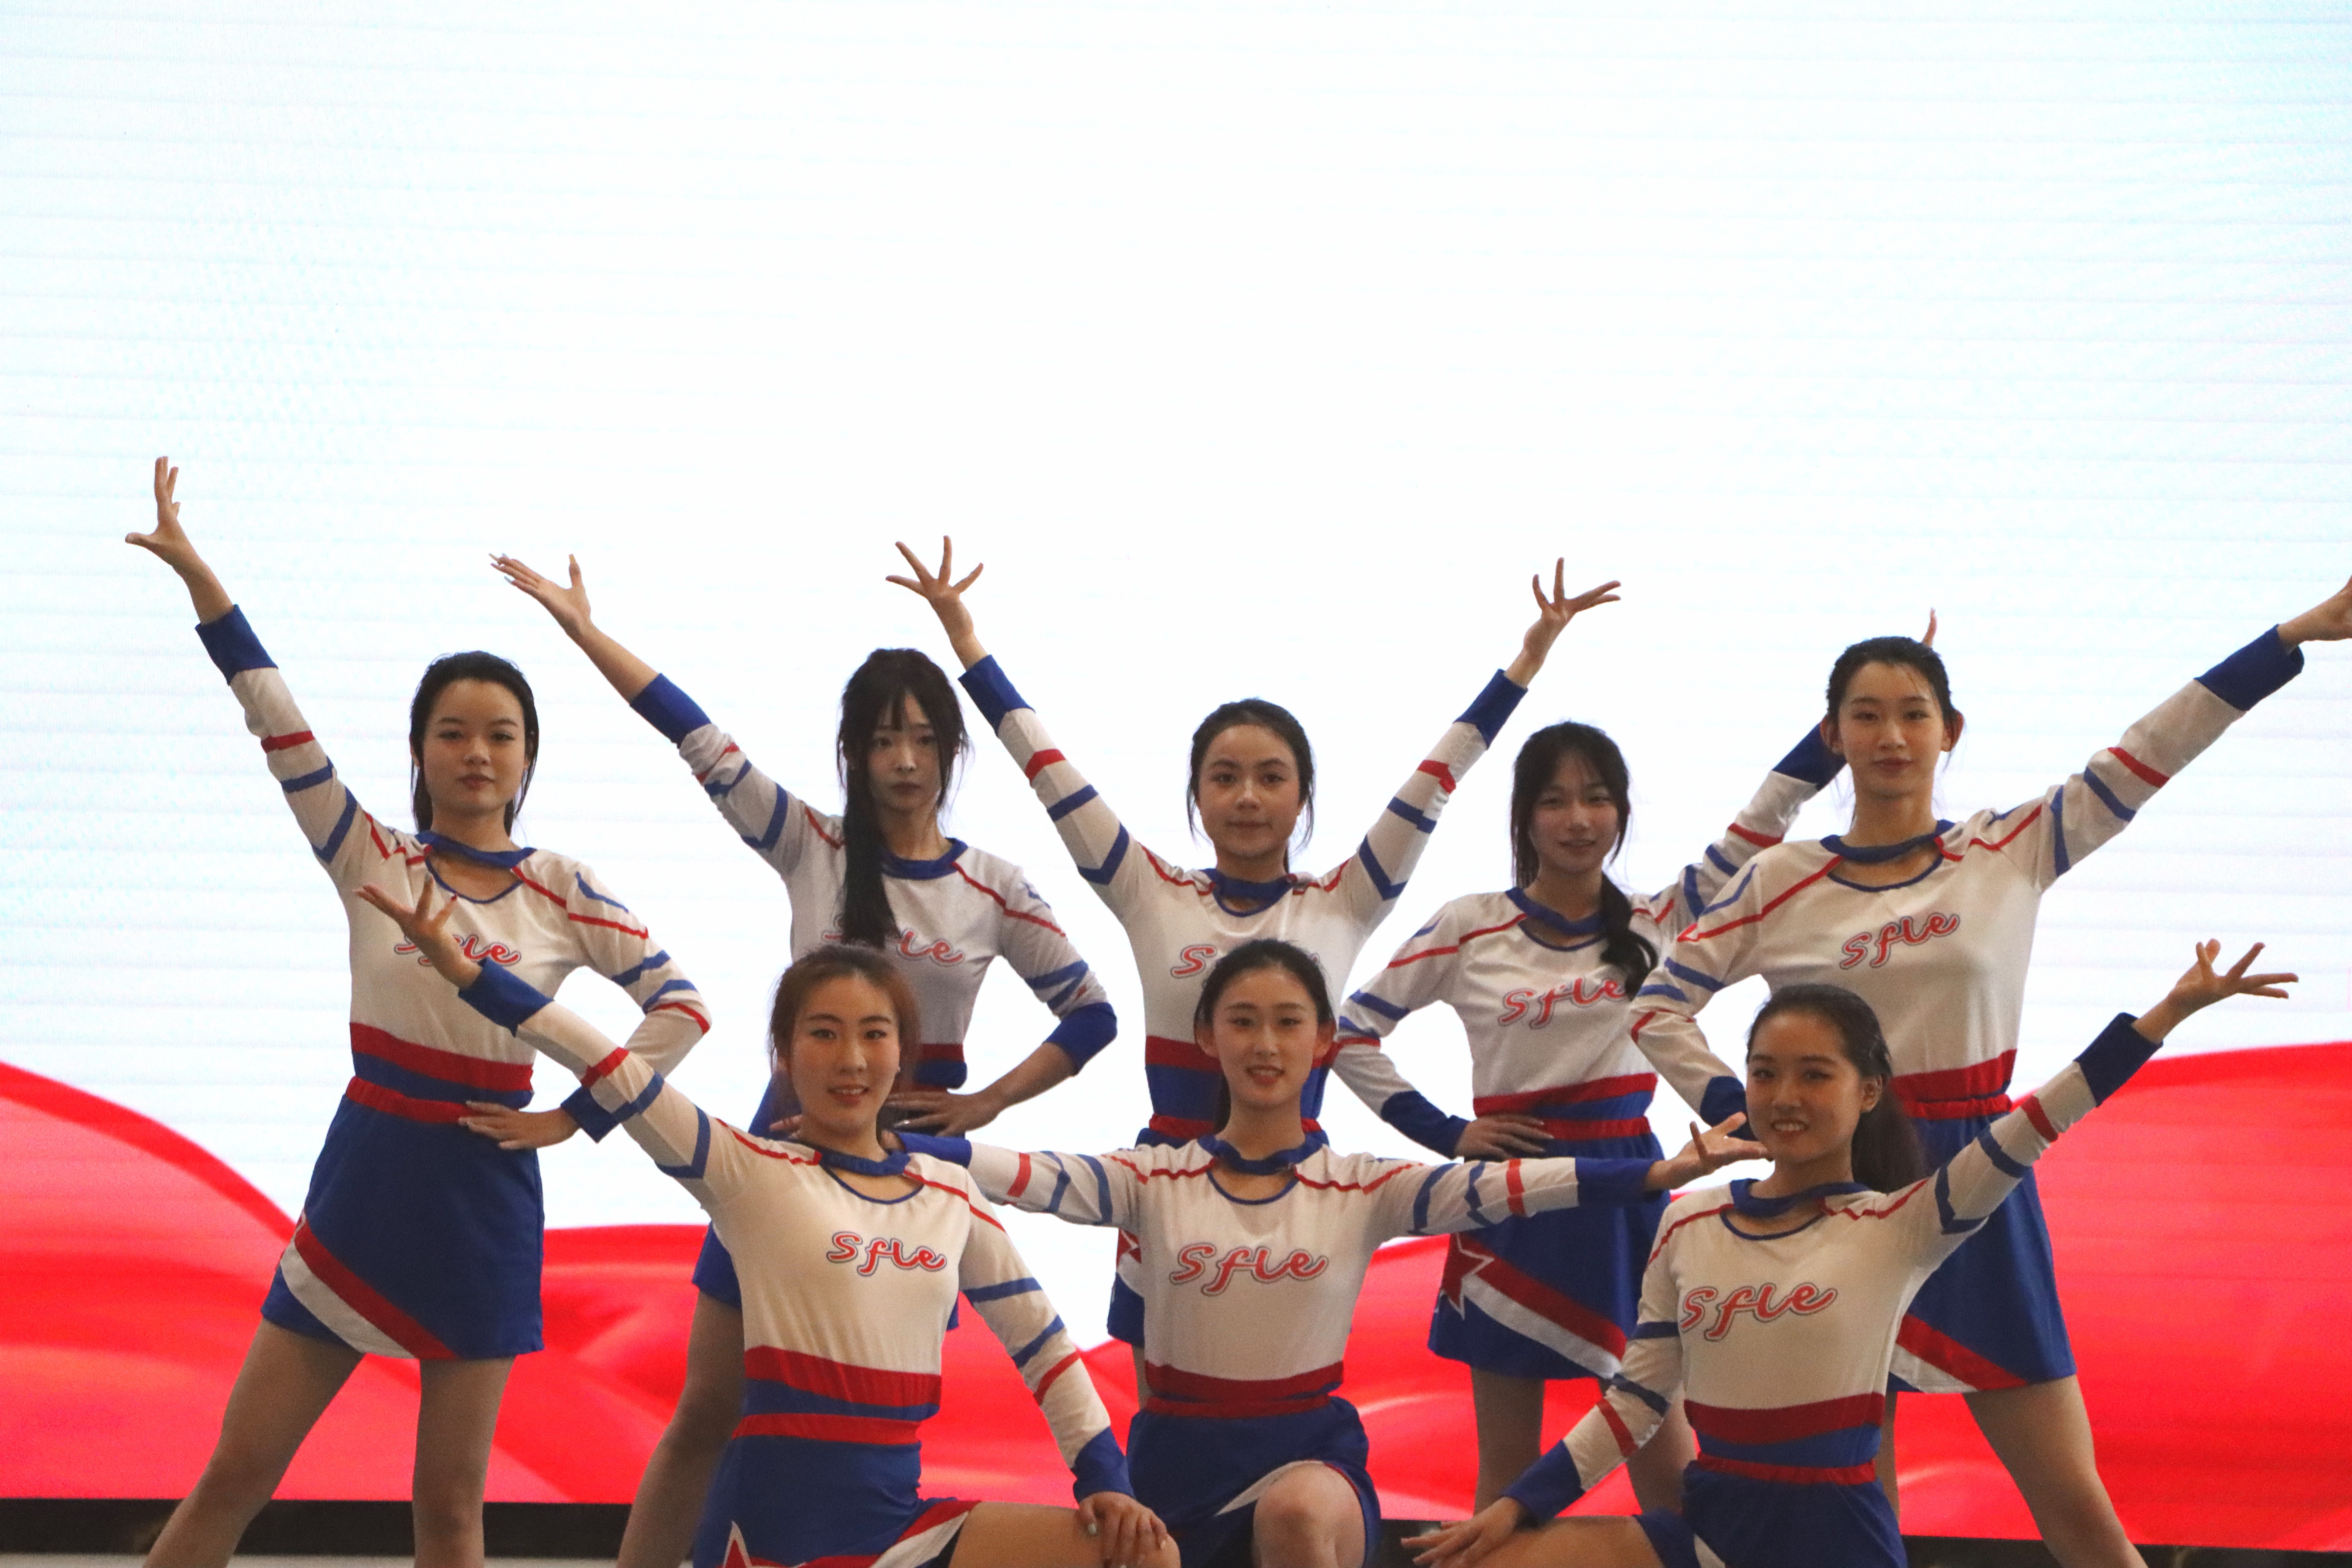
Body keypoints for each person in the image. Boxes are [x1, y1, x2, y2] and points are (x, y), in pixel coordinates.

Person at [1619, 583, 2351, 1564]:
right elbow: (1657, 1004)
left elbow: (2151, 751)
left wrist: (2291, 637)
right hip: (1840, 1195)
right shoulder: (1780, 879)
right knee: (1856, 1513)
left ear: (1949, 731)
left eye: (1913, 714)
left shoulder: (2010, 847)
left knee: (2077, 1509)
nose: (1891, 737)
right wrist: (1748, 1112)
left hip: (1981, 1180)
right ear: (1833, 736)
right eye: (1866, 715)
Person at [126, 460, 710, 1568]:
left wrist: (578, 1117)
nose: (476, 753)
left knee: (449, 1512)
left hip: (483, 1204)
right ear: (419, 751)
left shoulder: (567, 887)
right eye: (452, 732)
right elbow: (274, 716)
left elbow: (681, 1010)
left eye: (500, 734)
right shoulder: (369, 855)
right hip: (367, 1179)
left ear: (528, 758)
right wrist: (201, 579)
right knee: (236, 1475)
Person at [489, 551, 1118, 1568]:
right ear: (853, 754)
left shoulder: (996, 887)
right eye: (883, 740)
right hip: (778, 1169)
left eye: (924, 738)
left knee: (865, 1417)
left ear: (954, 750)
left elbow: (1091, 1014)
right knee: (711, 1410)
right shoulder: (811, 844)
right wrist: (585, 630)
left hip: (906, 1178)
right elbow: (695, 736)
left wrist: (986, 1105)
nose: (905, 760)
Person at [891, 539, 1616, 1369]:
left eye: (1271, 778)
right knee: (1166, 1407)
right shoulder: (1148, 890)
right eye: (1225, 777)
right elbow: (1045, 768)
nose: (1247, 797)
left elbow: (1439, 775)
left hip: (1303, 1199)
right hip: (1163, 1192)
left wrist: (1526, 661)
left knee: (1291, 1387)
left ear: (1303, 798)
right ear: (1196, 796)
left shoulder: (1345, 900)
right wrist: (967, 641)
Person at [1402, 939, 2295, 1568]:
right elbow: (1634, 1404)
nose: (1784, 1096)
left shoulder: (1903, 1223)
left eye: (1814, 1074)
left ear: (1869, 1092)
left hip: (1836, 1544)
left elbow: (2034, 1124)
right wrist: (1516, 1507)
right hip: (1705, 1535)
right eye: (1765, 1072)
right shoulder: (1690, 1224)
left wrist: (2164, 1016)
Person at [366, 889, 1178, 1568]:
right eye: (824, 1032)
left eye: (874, 1033)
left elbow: (1047, 1350)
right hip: (776, 1540)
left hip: (900, 1532)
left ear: (903, 1051)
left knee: (1144, 1552)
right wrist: (472, 975)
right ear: (784, 1053)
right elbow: (609, 1064)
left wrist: (1105, 1481)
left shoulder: (950, 1193)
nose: (851, 1058)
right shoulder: (749, 1171)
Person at [901, 939, 1764, 1568]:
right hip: (1171, 1470)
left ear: (1322, 1041)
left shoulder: (1362, 1187)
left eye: (1289, 1023)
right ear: (1206, 1036)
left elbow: (1509, 1187)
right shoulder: (1148, 1179)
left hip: (1313, 1468)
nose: (1266, 1044)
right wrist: (882, 1143)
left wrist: (1657, 1173)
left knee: (1296, 1513)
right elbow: (1017, 1172)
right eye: (1243, 1022)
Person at [1331, 715, 1842, 1513]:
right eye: (1555, 800)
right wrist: (1449, 1133)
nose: (1578, 819)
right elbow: (1349, 1032)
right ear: (1524, 817)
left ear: (1621, 813)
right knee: (1506, 1469)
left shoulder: (1659, 917)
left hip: (1630, 1195)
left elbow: (1756, 828)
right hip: (1511, 1204)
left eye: (1597, 799)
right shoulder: (1470, 924)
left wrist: (1832, 738)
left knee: (1665, 1461)